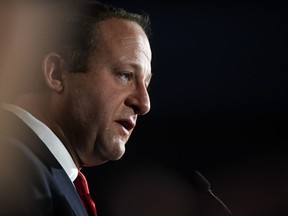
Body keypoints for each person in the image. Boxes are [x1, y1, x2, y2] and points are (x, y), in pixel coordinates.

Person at [0, 1, 152, 215]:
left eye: (146, 84)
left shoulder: (43, 173)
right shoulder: (13, 167)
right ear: (57, 74)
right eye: (125, 75)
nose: (144, 104)